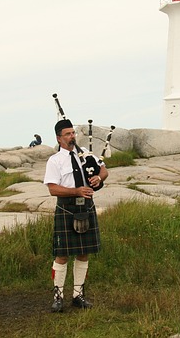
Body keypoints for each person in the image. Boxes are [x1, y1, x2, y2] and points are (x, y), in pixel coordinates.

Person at [43, 119, 108, 313]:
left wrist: (99, 177)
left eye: (73, 133)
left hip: (86, 207)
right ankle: (58, 297)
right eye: (68, 134)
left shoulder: (85, 155)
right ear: (59, 138)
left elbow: (103, 170)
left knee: (83, 253)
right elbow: (53, 189)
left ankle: (78, 296)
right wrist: (76, 191)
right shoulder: (55, 161)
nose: (72, 137)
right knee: (62, 255)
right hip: (67, 209)